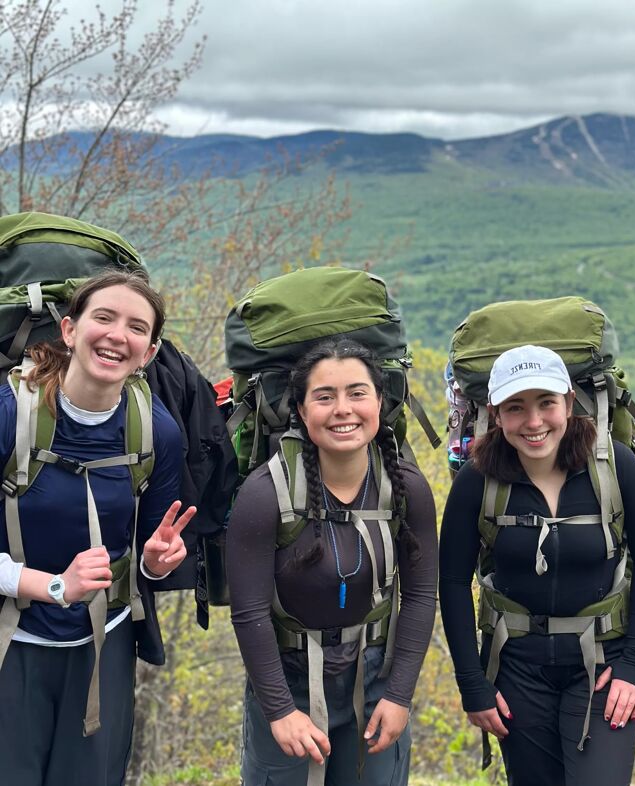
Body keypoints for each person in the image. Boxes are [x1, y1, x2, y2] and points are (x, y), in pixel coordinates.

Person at [439, 345, 635, 786]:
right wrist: (472, 683)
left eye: (546, 403)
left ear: (568, 402)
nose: (534, 422)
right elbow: (451, 582)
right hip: (516, 668)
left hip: (604, 665)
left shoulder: (614, 466)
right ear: (496, 413)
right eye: (516, 407)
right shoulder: (477, 480)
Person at [0, 270, 195, 786]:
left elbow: (150, 552)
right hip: (11, 641)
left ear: (149, 353)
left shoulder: (156, 431)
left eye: (136, 327)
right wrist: (53, 586)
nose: (116, 336)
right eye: (103, 318)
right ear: (68, 329)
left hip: (101, 645)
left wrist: (155, 564)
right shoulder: (9, 413)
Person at [227, 338, 437, 786]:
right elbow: (249, 613)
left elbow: (420, 595)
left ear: (380, 401)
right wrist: (280, 711)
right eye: (324, 397)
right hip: (289, 677)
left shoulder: (405, 487)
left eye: (357, 393)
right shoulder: (266, 494)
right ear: (301, 412)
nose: (343, 409)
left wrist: (399, 694)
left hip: (376, 675)